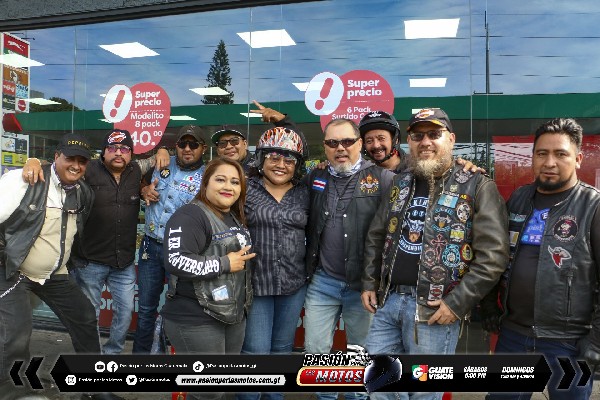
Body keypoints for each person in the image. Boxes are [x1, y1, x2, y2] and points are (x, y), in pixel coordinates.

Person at [361, 108, 509, 400]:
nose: (425, 141)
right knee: (379, 389)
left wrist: (456, 303)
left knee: (423, 395)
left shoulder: (477, 185)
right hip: (389, 303)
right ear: (409, 142)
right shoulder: (400, 182)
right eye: (418, 136)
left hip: (435, 310)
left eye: (434, 134)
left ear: (451, 139)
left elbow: (493, 257)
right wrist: (369, 281)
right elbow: (377, 235)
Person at [481, 118, 600, 400]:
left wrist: (596, 341)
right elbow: (497, 255)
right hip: (513, 336)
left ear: (578, 159)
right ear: (533, 157)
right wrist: (489, 305)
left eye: (560, 154)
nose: (549, 162)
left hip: (568, 342)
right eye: (542, 153)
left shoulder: (593, 206)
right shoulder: (520, 198)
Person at [303, 118, 395, 400]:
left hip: (362, 286)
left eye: (347, 141)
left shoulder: (383, 179)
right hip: (323, 282)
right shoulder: (315, 177)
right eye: (332, 143)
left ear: (359, 144)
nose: (340, 148)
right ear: (325, 147)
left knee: (360, 354)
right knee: (315, 352)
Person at [0, 134, 100, 390]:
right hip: (14, 272)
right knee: (16, 332)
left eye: (82, 161)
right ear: (56, 157)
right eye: (70, 159)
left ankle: (93, 388)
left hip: (55, 275)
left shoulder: (83, 192)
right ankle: (12, 391)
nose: (76, 166)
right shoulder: (25, 180)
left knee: (85, 317)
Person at [161, 158, 255, 400]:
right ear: (206, 183)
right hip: (195, 317)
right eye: (220, 179)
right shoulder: (190, 215)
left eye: (235, 182)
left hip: (232, 315)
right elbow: (175, 260)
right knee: (208, 390)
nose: (228, 186)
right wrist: (225, 263)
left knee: (223, 388)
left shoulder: (232, 216)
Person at [238, 127, 309, 400]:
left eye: (289, 160)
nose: (281, 165)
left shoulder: (305, 192)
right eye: (274, 158)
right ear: (261, 158)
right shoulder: (245, 188)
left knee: (281, 351)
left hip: (293, 284)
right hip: (257, 284)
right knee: (255, 352)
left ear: (297, 165)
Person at [133, 124, 208, 353]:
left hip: (182, 251)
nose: (187, 148)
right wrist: (144, 190)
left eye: (193, 144)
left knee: (177, 310)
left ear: (203, 148)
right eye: (183, 143)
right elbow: (134, 178)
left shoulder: (208, 177)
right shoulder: (161, 163)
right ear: (176, 146)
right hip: (151, 246)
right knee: (146, 308)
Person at [211, 100, 309, 171]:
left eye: (234, 141)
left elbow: (299, 153)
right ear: (218, 150)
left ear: (245, 144)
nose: (228, 146)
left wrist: (283, 121)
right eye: (222, 143)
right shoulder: (213, 172)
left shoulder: (260, 165)